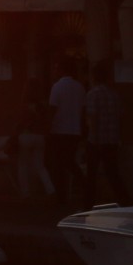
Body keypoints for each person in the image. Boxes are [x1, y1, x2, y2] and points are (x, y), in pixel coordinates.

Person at [82, 61, 127, 206]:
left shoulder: (92, 94)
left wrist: (92, 139)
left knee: (91, 174)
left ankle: (88, 204)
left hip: (96, 140)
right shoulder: (114, 95)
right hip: (112, 140)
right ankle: (124, 200)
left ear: (94, 77)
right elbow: (120, 118)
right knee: (113, 172)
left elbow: (93, 118)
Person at [48, 59, 86, 204]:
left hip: (59, 130)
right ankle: (83, 183)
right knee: (69, 161)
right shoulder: (80, 87)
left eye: (56, 69)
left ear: (62, 70)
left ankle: (61, 195)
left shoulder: (57, 87)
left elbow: (52, 109)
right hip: (74, 130)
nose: (54, 72)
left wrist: (48, 126)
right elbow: (83, 111)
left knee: (57, 164)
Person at [14, 96, 54, 198]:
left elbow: (20, 123)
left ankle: (25, 193)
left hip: (26, 136)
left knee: (22, 165)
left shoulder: (24, 107)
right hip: (39, 137)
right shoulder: (42, 107)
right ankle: (50, 189)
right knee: (40, 166)